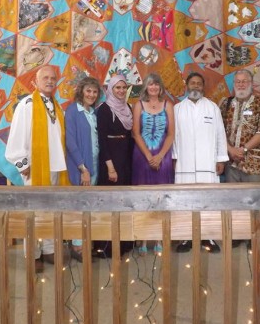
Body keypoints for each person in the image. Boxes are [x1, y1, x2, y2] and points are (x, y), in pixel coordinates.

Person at [5, 65, 67, 273]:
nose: (50, 81)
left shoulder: (56, 106)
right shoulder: (27, 105)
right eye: (45, 78)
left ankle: (49, 249)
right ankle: (32, 254)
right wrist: (23, 165)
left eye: (53, 78)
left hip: (56, 167)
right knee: (32, 214)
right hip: (35, 168)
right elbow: (15, 140)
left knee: (51, 211)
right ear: (36, 81)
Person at [173, 72, 228, 254]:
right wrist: (174, 158)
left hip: (208, 164)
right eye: (192, 83)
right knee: (185, 201)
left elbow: (220, 134)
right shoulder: (177, 109)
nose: (195, 86)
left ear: (203, 87)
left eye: (199, 84)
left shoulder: (212, 108)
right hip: (184, 163)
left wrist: (221, 159)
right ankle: (185, 238)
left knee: (208, 201)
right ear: (187, 86)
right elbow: (173, 137)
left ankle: (208, 237)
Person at [220, 69, 260, 248]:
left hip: (253, 162)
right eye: (238, 81)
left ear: (251, 83)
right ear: (234, 84)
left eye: (245, 81)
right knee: (233, 200)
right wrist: (230, 149)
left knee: (254, 200)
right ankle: (236, 234)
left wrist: (242, 149)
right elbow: (218, 131)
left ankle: (254, 236)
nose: (241, 84)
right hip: (230, 162)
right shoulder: (225, 104)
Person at [132, 72, 175, 255]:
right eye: (150, 84)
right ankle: (142, 239)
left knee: (161, 197)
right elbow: (135, 133)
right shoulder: (138, 105)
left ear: (161, 87)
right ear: (146, 87)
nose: (154, 87)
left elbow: (171, 134)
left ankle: (158, 238)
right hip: (142, 156)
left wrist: (160, 156)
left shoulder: (168, 105)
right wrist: (149, 156)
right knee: (142, 198)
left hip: (163, 156)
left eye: (157, 84)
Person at [96, 74, 134, 256]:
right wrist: (110, 167)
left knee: (124, 202)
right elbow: (102, 141)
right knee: (111, 203)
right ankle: (107, 247)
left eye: (123, 88)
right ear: (110, 89)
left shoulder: (128, 108)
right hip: (111, 161)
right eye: (117, 88)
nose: (120, 91)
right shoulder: (104, 109)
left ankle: (124, 243)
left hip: (125, 160)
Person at [65, 76, 102, 261]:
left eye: (95, 92)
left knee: (89, 207)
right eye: (88, 91)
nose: (91, 95)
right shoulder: (73, 111)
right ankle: (77, 247)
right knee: (79, 207)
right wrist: (83, 169)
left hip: (94, 165)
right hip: (81, 167)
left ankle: (86, 244)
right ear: (81, 91)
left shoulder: (93, 112)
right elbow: (70, 142)